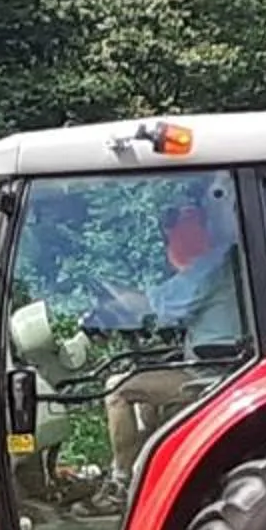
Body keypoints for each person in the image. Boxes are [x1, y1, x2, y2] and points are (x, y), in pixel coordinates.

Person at [92, 193, 243, 480]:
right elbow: (174, 312)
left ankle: (120, 480)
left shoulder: (213, 264)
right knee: (146, 392)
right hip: (220, 362)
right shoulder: (229, 259)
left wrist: (113, 301)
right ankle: (149, 470)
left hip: (212, 371)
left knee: (117, 389)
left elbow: (162, 302)